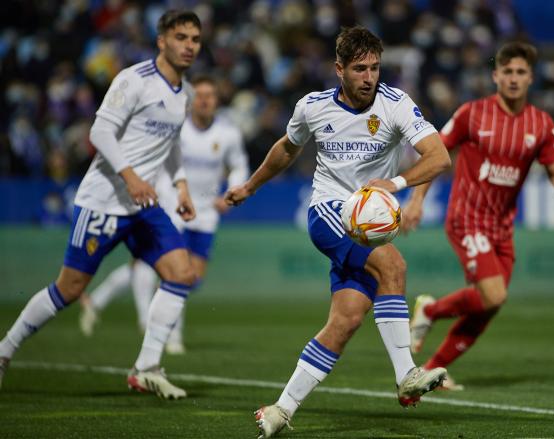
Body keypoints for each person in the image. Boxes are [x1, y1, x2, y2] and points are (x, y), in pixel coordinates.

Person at [225, 26, 452, 438]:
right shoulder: (312, 107)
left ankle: (281, 408)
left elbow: (439, 157)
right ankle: (406, 374)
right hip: (328, 212)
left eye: (376, 68)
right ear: (339, 69)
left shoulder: (396, 104)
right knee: (394, 266)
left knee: (346, 320)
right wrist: (250, 186)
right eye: (360, 69)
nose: (370, 77)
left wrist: (396, 184)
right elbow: (286, 149)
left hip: (368, 224)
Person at [0, 10, 202, 400]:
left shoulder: (186, 93)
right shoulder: (133, 80)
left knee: (181, 272)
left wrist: (181, 186)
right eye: (181, 37)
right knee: (70, 289)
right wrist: (130, 176)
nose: (189, 45)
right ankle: (5, 351)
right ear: (162, 41)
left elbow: (172, 143)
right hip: (105, 201)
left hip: (144, 205)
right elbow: (100, 131)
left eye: (195, 39)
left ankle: (146, 368)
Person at [407, 42, 554, 390]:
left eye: (520, 72)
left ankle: (433, 367)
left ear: (530, 78)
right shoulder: (472, 114)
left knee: (488, 306)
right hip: (466, 216)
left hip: (501, 227)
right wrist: (416, 200)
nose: (513, 78)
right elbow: (436, 153)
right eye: (507, 71)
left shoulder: (541, 125)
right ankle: (431, 312)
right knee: (494, 295)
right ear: (495, 76)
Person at [79, 75, 250, 355]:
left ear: (217, 101)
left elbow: (239, 165)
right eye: (201, 95)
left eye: (211, 95)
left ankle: (97, 300)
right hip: (173, 206)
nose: (205, 100)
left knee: (191, 276)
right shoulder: (178, 129)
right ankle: (170, 335)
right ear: (192, 101)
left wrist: (232, 190)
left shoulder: (228, 134)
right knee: (174, 273)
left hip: (206, 214)